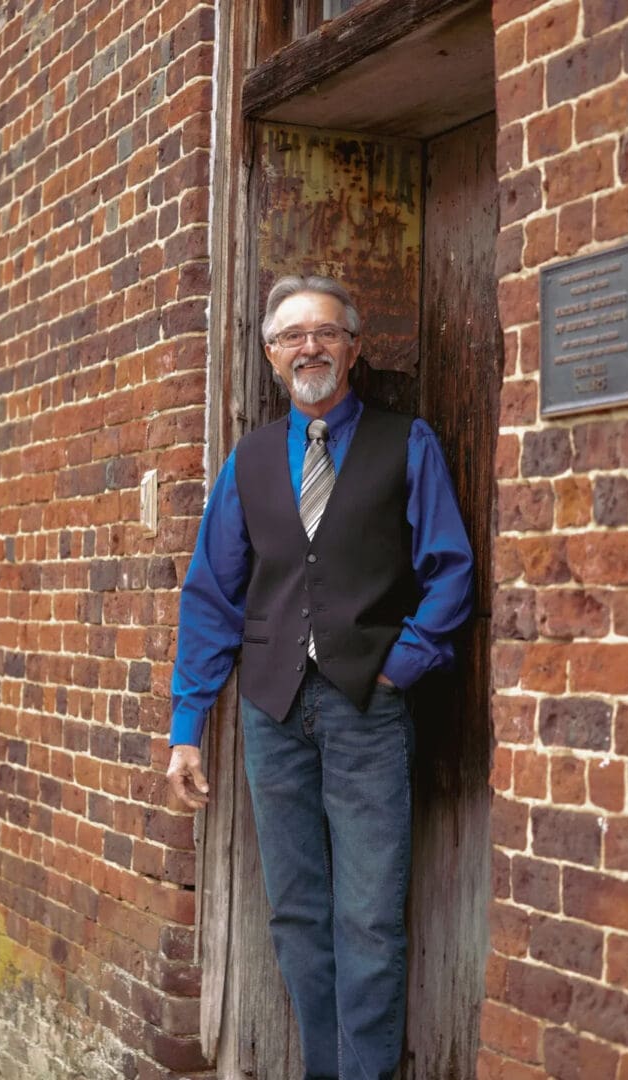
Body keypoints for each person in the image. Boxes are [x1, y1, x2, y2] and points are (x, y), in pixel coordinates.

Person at [167, 274, 473, 1080]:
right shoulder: (249, 459)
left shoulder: (406, 443)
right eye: (292, 335)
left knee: (369, 919)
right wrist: (186, 728)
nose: (310, 347)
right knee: (297, 915)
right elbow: (210, 594)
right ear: (271, 357)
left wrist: (398, 669)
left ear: (354, 348)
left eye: (327, 333)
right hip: (272, 714)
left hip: (365, 712)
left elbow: (450, 574)